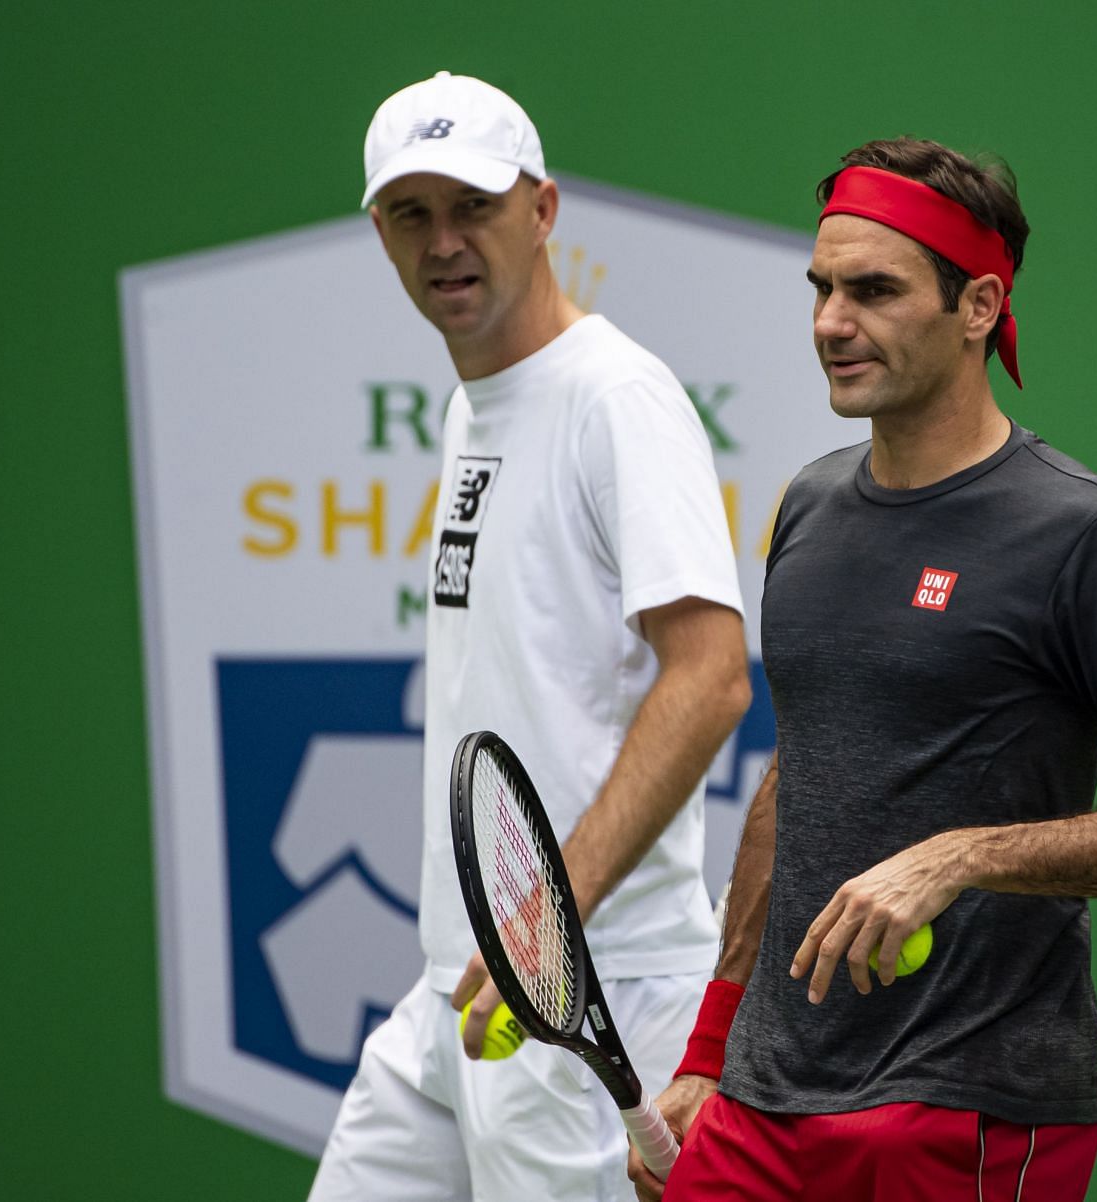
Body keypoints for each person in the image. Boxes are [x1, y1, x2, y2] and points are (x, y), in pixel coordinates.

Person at [629, 137, 1097, 1201]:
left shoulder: (1090, 533)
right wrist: (707, 1050)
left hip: (967, 1106)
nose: (830, 321)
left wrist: (959, 853)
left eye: (873, 290)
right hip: (764, 1101)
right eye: (820, 287)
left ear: (978, 306)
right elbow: (798, 777)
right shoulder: (806, 507)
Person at [307, 72, 751, 1202]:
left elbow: (710, 678)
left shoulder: (617, 399)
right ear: (379, 231)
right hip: (460, 988)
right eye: (412, 214)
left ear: (542, 210)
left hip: (582, 987)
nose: (444, 242)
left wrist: (548, 923)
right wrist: (501, 947)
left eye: (475, 206)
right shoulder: (476, 403)